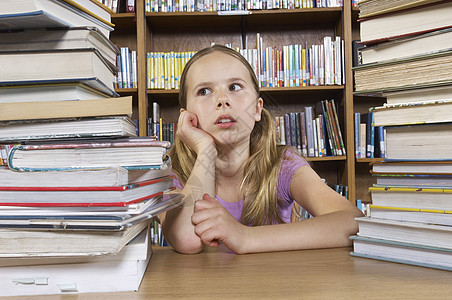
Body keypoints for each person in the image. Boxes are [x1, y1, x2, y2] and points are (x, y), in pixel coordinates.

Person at [162, 44, 363, 254]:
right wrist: (206, 151)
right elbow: (187, 240)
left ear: (257, 109)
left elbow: (354, 223)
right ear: (186, 117)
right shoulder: (169, 173)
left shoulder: (282, 165)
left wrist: (245, 237)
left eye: (234, 87)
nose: (222, 100)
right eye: (204, 91)